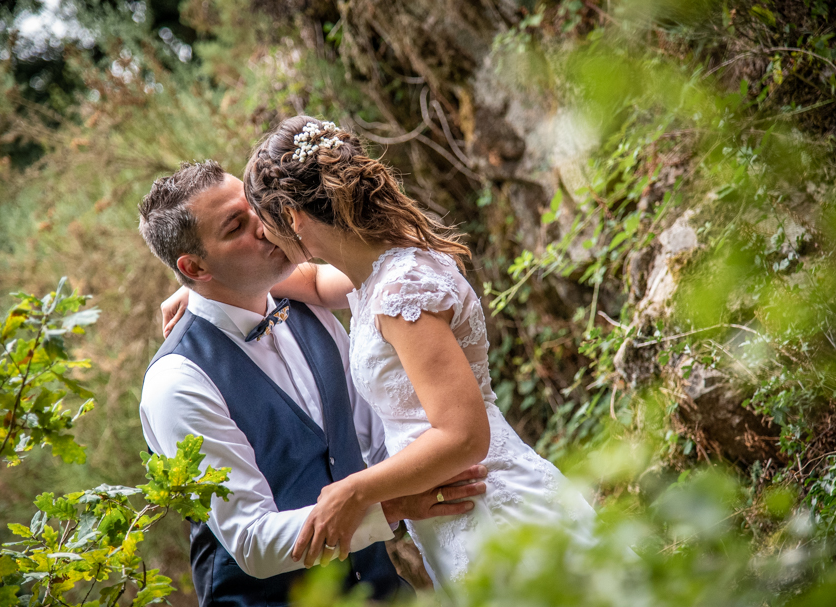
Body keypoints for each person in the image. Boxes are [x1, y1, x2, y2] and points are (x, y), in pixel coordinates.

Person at [237, 116, 598, 588]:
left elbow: (465, 436)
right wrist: (206, 292)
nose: (260, 236)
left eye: (260, 222)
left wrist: (354, 490)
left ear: (295, 218)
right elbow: (309, 283)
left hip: (488, 505)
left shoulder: (400, 291)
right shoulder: (374, 270)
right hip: (456, 514)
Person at [138, 160, 486, 606]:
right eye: (236, 227)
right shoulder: (177, 381)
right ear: (195, 267)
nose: (265, 227)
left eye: (256, 208)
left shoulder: (306, 306)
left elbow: (372, 441)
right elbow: (252, 542)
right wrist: (392, 506)